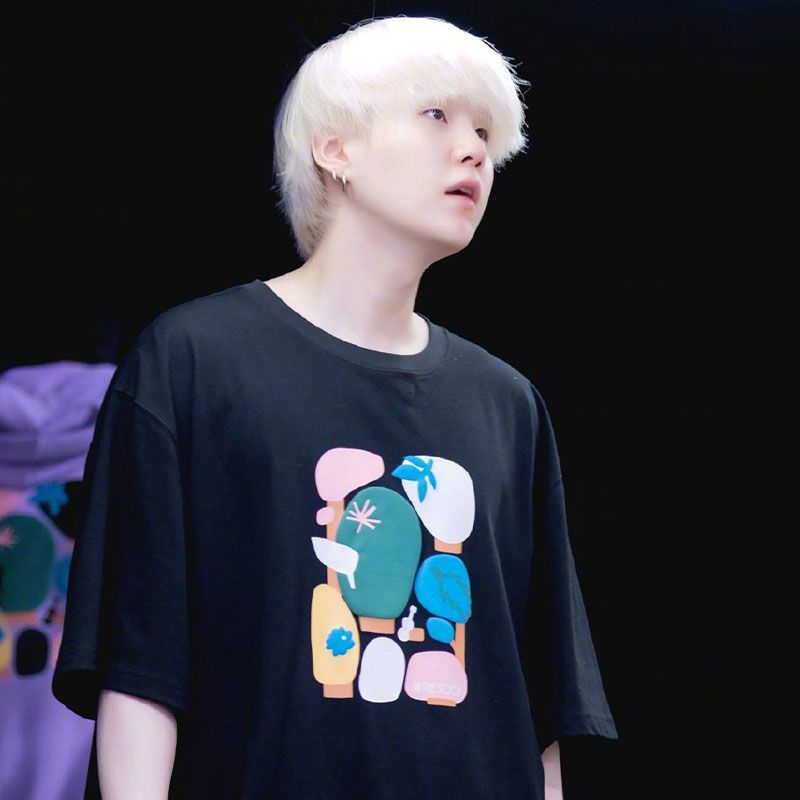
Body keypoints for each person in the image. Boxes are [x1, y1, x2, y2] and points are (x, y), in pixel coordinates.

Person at [52, 14, 618, 799]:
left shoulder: (506, 405)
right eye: (437, 115)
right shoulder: (194, 362)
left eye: (485, 132)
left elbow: (541, 702)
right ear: (335, 148)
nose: (472, 150)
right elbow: (140, 663)